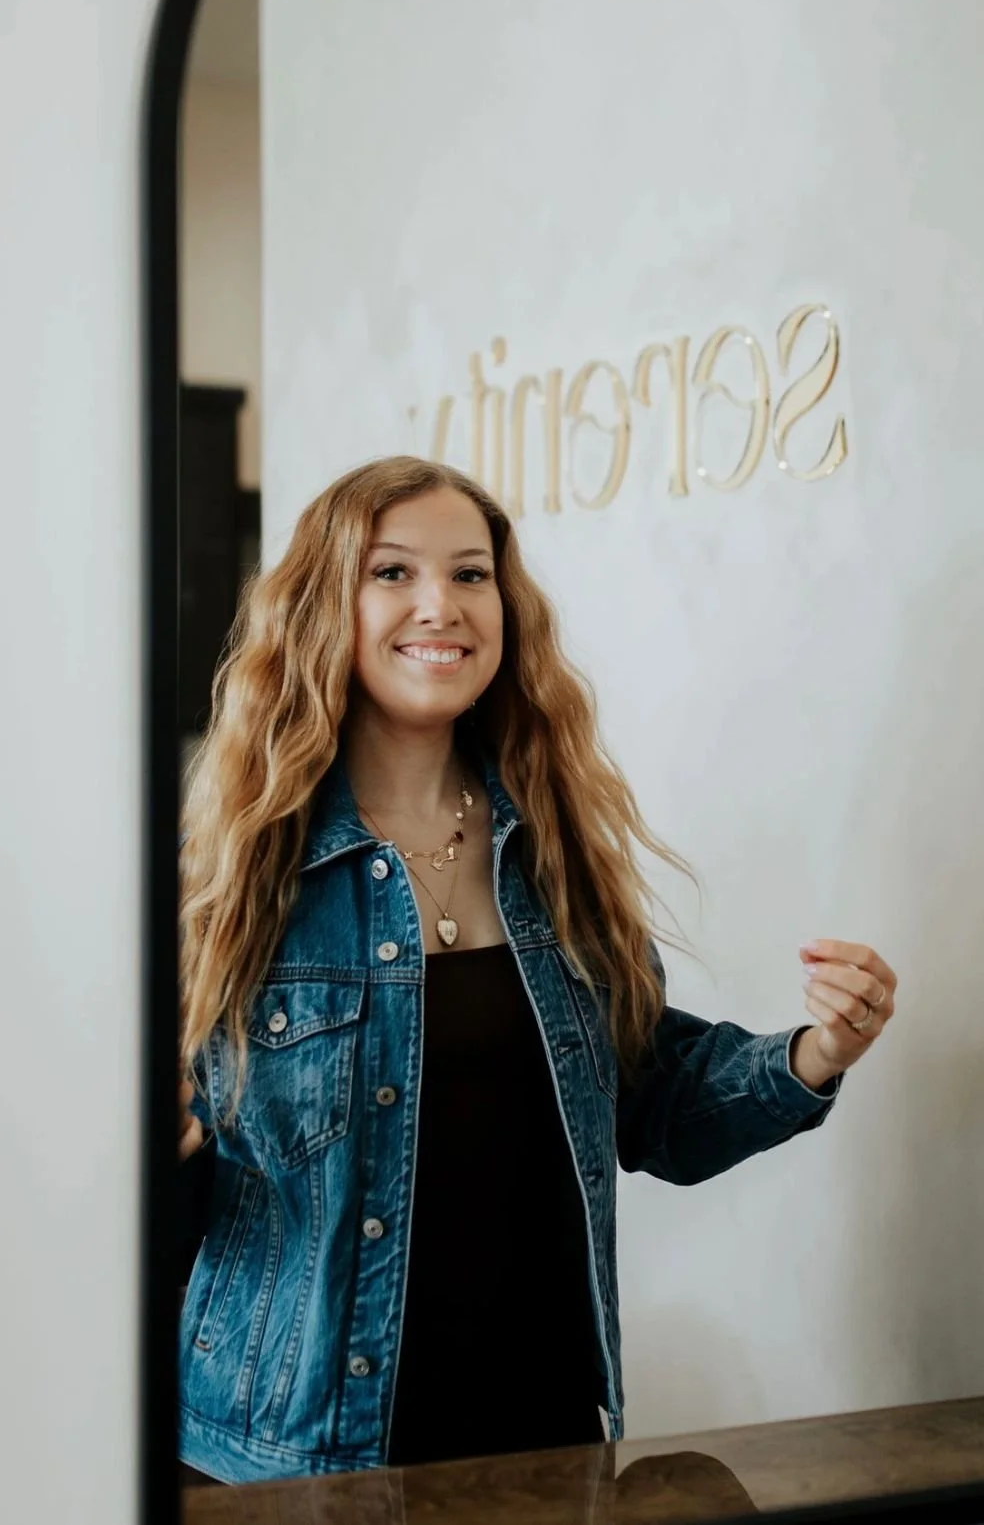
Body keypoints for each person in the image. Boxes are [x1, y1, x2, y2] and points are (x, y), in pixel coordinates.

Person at [176, 455, 896, 1485]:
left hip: (544, 1445)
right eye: (392, 573)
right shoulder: (237, 880)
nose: (442, 604)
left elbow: (647, 1097)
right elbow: (163, 1167)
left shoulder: (553, 858)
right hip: (289, 1469)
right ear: (323, 606)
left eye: (472, 574)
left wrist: (819, 1051)